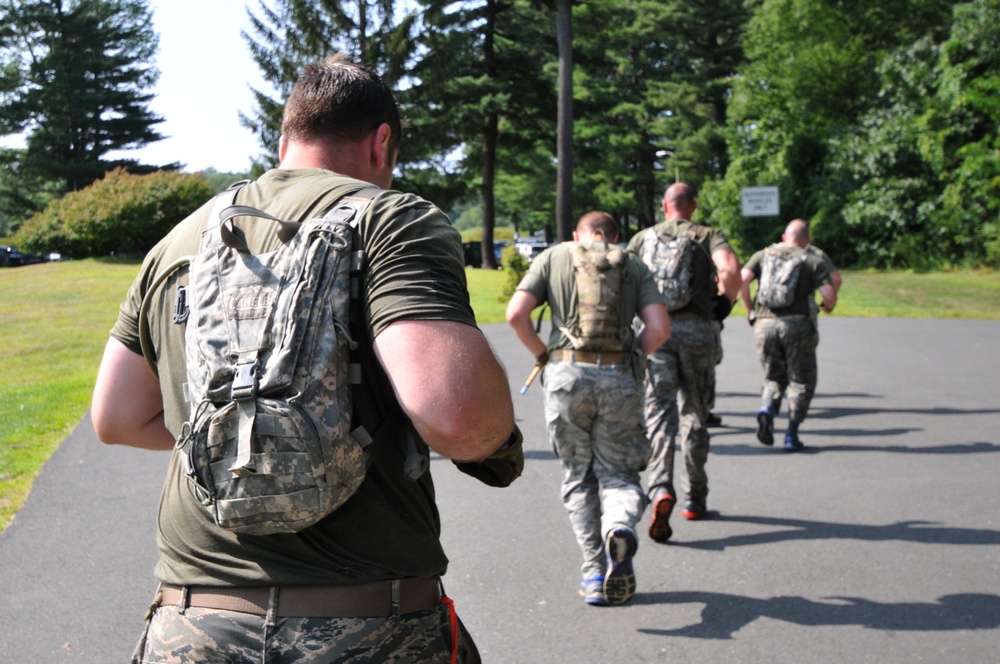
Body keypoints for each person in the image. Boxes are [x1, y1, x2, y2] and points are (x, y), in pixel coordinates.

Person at [91, 54, 523, 664]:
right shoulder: (391, 219)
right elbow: (454, 414)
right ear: (382, 144)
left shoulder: (182, 239)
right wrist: (496, 441)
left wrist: (240, 435)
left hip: (195, 623)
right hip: (368, 625)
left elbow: (116, 416)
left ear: (284, 137)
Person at [506, 212, 669, 607]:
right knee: (618, 472)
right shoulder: (633, 263)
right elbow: (659, 328)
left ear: (577, 233)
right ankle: (619, 526)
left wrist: (544, 354)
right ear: (616, 237)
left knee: (578, 476)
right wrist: (633, 357)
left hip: (566, 378)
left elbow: (516, 314)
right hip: (619, 378)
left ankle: (595, 573)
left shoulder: (554, 257)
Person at [628, 182, 741, 542]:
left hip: (655, 332)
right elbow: (731, 270)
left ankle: (660, 488)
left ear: (664, 206)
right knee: (696, 413)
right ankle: (695, 495)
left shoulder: (642, 238)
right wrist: (725, 304)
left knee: (659, 413)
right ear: (692, 206)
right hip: (698, 334)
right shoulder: (708, 234)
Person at [739, 218, 837, 452]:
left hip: (764, 324)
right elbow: (829, 294)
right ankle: (791, 434)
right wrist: (827, 306)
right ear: (807, 240)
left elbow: (742, 279)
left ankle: (767, 410)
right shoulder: (812, 259)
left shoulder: (762, 255)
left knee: (773, 377)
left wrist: (749, 310)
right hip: (796, 326)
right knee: (801, 381)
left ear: (785, 237)